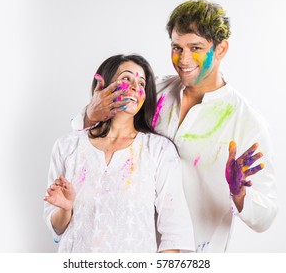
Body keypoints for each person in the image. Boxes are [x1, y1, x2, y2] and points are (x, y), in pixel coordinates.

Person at [72, 0, 278, 252]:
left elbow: (266, 215)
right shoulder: (153, 91)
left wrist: (239, 194)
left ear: (221, 49)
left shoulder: (246, 121)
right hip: (130, 248)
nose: (184, 58)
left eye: (196, 47)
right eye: (177, 47)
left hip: (195, 253)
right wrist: (90, 115)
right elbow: (91, 139)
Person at [44, 54, 195, 253]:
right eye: (126, 78)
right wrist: (65, 208)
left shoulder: (158, 150)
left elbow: (175, 232)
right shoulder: (67, 146)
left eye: (141, 83)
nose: (135, 87)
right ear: (102, 85)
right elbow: (57, 227)